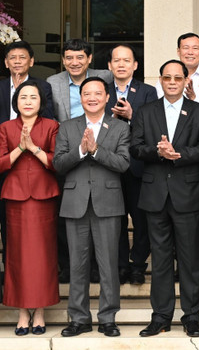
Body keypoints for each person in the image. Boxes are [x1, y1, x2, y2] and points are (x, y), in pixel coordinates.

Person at [131, 59, 199, 338]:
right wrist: (158, 152)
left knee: (190, 260)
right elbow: (135, 147)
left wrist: (177, 154)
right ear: (160, 80)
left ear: (185, 81)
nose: (172, 82)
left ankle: (191, 316)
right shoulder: (145, 111)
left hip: (187, 194)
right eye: (167, 77)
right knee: (161, 259)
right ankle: (161, 316)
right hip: (155, 195)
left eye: (178, 78)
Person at [53, 77, 130, 338]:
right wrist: (80, 150)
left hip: (107, 204)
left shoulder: (119, 128)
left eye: (98, 93)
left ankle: (108, 318)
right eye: (87, 93)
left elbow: (123, 163)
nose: (92, 97)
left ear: (107, 97)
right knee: (77, 264)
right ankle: (79, 318)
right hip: (75, 204)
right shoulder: (67, 127)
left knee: (108, 264)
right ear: (81, 98)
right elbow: (59, 164)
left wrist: (96, 150)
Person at [47, 38, 113, 282]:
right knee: (69, 212)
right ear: (63, 60)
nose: (74, 62)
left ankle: (100, 267)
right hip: (69, 153)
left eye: (79, 57)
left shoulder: (105, 77)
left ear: (89, 59)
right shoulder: (52, 83)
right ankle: (68, 266)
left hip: (102, 150)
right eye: (69, 58)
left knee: (101, 213)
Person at [154, 32, 199, 281]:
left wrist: (191, 102)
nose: (190, 51)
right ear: (179, 50)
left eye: (195, 48)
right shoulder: (168, 79)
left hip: (198, 156)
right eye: (185, 48)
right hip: (166, 159)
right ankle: (173, 260)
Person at [0, 81, 60, 336]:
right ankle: (23, 312)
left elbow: (58, 161)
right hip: (15, 198)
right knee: (17, 257)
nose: (27, 101)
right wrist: (20, 148)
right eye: (22, 97)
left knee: (43, 257)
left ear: (40, 102)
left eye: (32, 97)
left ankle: (40, 312)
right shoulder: (5, 127)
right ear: (16, 102)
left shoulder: (51, 126)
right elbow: (1, 162)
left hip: (44, 197)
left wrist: (34, 148)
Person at [0, 41, 55, 274]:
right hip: (9, 173)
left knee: (43, 245)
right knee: (11, 236)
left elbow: (56, 156)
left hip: (40, 180)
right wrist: (17, 143)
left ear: (31, 61)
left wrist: (32, 146)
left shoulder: (43, 88)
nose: (17, 62)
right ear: (5, 62)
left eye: (22, 57)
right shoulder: (1, 89)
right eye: (12, 57)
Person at [106, 44, 158, 285]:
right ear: (109, 65)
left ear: (135, 65)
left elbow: (153, 126)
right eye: (116, 60)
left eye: (126, 60)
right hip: (110, 166)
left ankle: (138, 265)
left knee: (141, 220)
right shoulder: (100, 91)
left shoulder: (147, 92)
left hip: (138, 166)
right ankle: (120, 266)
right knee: (115, 219)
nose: (121, 64)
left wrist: (131, 116)